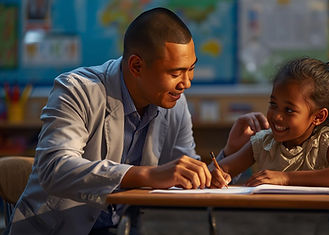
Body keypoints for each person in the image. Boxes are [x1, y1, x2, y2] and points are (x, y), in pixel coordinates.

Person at [6, 7, 269, 235]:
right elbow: (56, 168)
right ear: (136, 66)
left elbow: (184, 177)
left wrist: (228, 153)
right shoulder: (77, 89)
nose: (186, 83)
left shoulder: (174, 102)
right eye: (176, 72)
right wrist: (148, 175)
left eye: (191, 69)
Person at [211, 57, 329, 189]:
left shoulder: (324, 143)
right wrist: (217, 176)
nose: (277, 116)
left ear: (318, 116)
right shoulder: (263, 143)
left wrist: (285, 178)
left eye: (289, 110)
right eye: (273, 104)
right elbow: (220, 170)